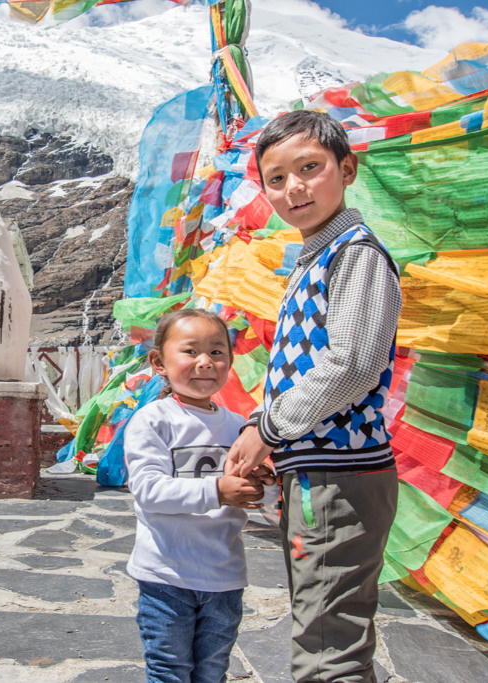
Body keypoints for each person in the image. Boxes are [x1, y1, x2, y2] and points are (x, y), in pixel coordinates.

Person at [227, 109, 403, 682]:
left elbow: (351, 364)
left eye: (309, 168)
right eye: (275, 179)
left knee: (327, 651)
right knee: (326, 627)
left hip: (340, 476)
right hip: (319, 473)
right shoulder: (318, 255)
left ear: (346, 169)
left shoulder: (354, 253)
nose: (292, 188)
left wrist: (267, 427)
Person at [125, 308, 277, 683]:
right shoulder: (153, 421)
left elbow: (264, 505)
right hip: (165, 576)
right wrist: (218, 490)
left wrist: (265, 486)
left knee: (212, 671)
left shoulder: (239, 427)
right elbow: (148, 490)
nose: (205, 362)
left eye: (216, 352)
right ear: (159, 362)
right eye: (190, 352)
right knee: (170, 670)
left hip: (224, 578)